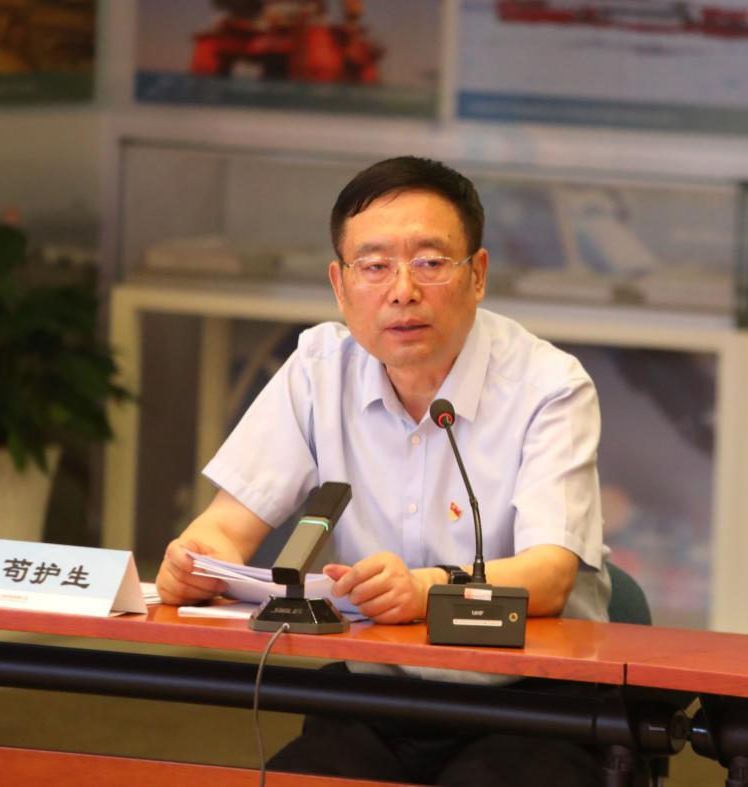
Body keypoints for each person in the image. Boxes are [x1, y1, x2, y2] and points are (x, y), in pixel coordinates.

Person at [156, 155, 611, 785]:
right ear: (340, 286)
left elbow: (551, 576)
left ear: (477, 274)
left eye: (430, 262)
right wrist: (196, 562)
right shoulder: (319, 369)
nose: (402, 291)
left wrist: (424, 590)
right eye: (374, 267)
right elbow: (226, 527)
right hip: (375, 694)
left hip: (531, 701)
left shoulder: (549, 387)